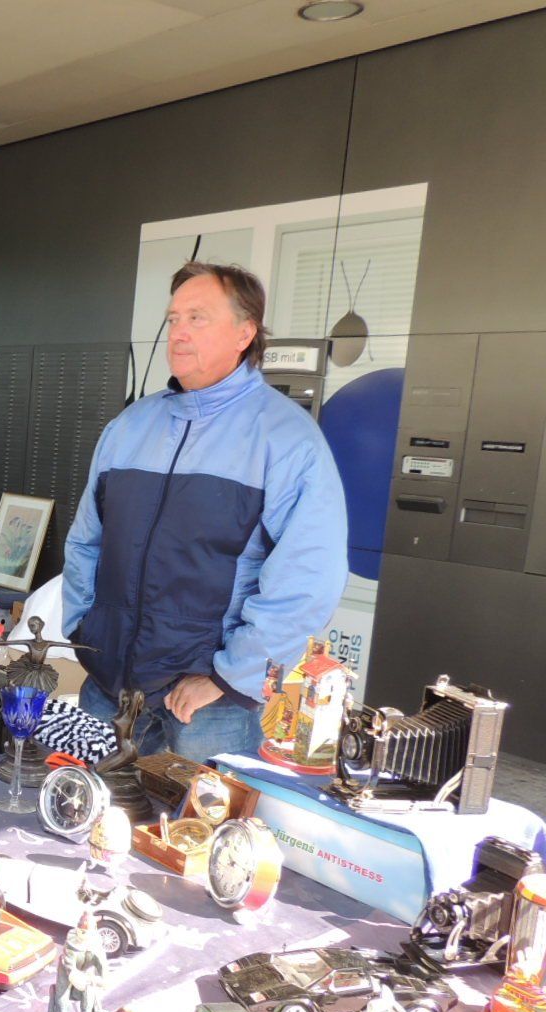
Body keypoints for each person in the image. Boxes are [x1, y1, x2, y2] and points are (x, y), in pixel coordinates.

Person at [61, 262, 346, 762]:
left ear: (244, 333)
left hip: (210, 709)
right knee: (78, 808)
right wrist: (84, 630)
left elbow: (307, 580)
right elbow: (87, 540)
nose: (179, 332)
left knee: (199, 816)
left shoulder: (287, 440)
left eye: (197, 317)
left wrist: (229, 677)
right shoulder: (129, 427)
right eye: (173, 319)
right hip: (108, 688)